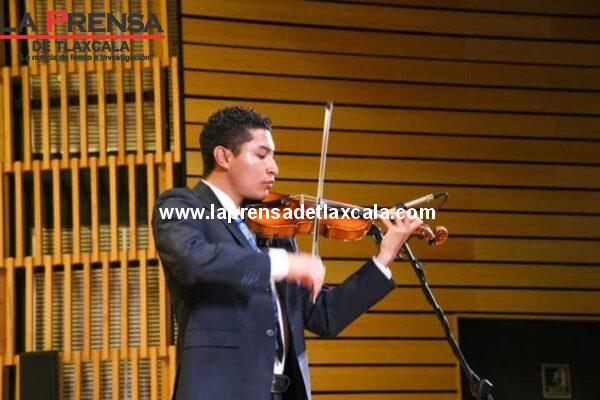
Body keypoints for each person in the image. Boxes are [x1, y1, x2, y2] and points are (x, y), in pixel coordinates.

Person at [152, 106, 423, 400]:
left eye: (273, 156)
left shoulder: (273, 230)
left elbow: (324, 316)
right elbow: (193, 259)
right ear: (224, 157)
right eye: (262, 155)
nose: (274, 168)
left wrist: (385, 256)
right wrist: (283, 264)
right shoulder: (180, 205)